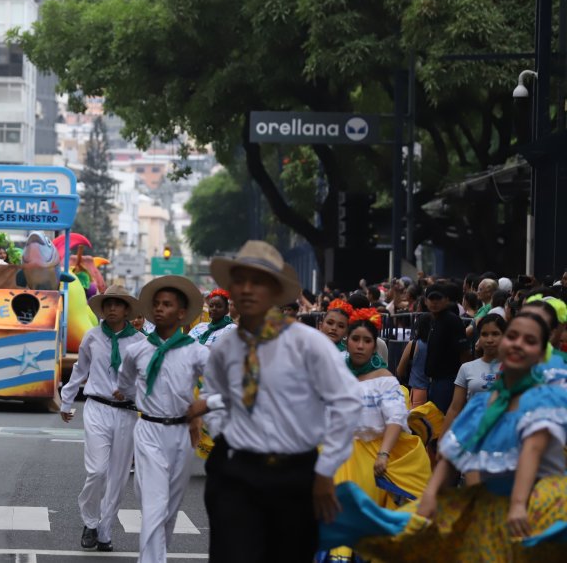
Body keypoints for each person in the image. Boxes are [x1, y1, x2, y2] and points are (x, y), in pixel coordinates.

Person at [320, 312, 567, 559]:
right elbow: (452, 458)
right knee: (400, 532)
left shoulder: (545, 399)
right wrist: (431, 498)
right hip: (493, 505)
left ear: (540, 352)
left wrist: (518, 504)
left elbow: (533, 449)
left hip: (538, 504)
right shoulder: (481, 405)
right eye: (512, 336)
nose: (518, 344)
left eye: (530, 340)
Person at [187, 241, 361, 562]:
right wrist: (224, 437)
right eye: (240, 281)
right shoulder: (225, 347)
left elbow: (347, 403)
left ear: (276, 291)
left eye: (258, 282)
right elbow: (214, 394)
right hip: (235, 473)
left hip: (294, 474)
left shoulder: (307, 344)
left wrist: (325, 471)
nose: (247, 289)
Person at [317, 310, 431, 562]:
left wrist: (384, 454)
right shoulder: (332, 368)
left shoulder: (384, 380)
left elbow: (395, 419)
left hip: (367, 456)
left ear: (374, 345)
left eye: (367, 341)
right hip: (330, 451)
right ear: (347, 340)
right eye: (355, 339)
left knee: (353, 515)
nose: (360, 345)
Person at [115, 276, 207, 562]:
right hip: (149, 430)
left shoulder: (196, 351)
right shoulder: (137, 350)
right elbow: (125, 383)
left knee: (169, 509)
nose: (159, 309)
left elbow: (221, 384)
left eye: (167, 304)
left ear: (181, 313)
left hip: (181, 434)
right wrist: (134, 397)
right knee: (154, 504)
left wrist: (203, 406)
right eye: (156, 304)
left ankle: (157, 555)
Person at [60, 286, 146, 551]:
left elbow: (146, 378)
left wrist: (133, 393)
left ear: (127, 310)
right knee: (97, 471)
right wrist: (66, 400)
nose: (112, 308)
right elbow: (80, 369)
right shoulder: (92, 336)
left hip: (127, 412)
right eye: (108, 304)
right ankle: (90, 521)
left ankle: (105, 531)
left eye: (117, 304)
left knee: (118, 478)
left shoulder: (140, 341)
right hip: (97, 407)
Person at [443, 313, 505, 432]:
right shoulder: (466, 368)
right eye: (484, 334)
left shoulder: (514, 370)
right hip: (471, 433)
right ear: (479, 337)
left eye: (495, 334)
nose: (489, 340)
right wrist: (442, 440)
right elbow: (454, 409)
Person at [418, 282, 467, 413]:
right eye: (431, 298)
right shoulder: (434, 320)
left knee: (442, 417)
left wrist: (465, 380)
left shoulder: (452, 320)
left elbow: (464, 352)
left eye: (438, 298)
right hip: (434, 381)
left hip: (448, 381)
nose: (435, 302)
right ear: (426, 301)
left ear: (446, 300)